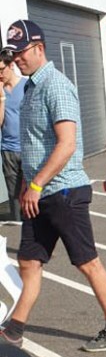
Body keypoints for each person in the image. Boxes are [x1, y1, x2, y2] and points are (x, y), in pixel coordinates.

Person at [0, 19, 106, 353]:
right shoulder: (29, 88)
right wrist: (27, 185)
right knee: (29, 262)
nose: (16, 60)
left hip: (63, 192)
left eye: (21, 52)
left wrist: (36, 184)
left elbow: (67, 144)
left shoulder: (56, 85)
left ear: (39, 48)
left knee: (87, 262)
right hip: (38, 193)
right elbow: (33, 144)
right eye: (13, 54)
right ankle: (14, 329)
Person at [0, 46, 26, 224]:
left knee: (32, 189)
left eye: (1, 69)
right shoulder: (0, 91)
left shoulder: (27, 86)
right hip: (8, 149)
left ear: (11, 66)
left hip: (27, 148)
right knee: (14, 192)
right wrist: (1, 98)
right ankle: (19, 224)